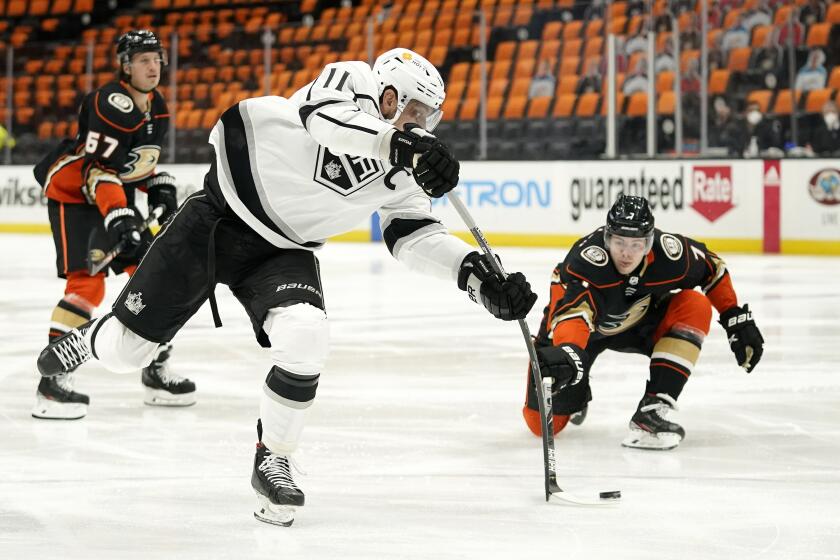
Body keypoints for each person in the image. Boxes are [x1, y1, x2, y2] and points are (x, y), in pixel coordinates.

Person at [35, 47, 538, 526]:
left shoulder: (404, 164)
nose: (423, 124)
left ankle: (273, 458)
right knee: (126, 353)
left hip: (281, 249)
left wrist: (475, 275)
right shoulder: (352, 78)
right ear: (388, 96)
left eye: (430, 116)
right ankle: (97, 335)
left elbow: (411, 234)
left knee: (306, 336)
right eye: (417, 110)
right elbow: (326, 121)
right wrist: (398, 144)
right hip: (217, 217)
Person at [30, 30, 194, 420]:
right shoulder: (109, 103)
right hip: (75, 195)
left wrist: (159, 186)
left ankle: (155, 370)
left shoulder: (158, 108)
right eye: (142, 60)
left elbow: (134, 166)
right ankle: (54, 384)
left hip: (110, 194)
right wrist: (120, 216)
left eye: (156, 58)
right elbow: (97, 171)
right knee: (87, 286)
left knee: (158, 278)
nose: (153, 66)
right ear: (125, 66)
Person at [521, 194, 764, 450]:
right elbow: (572, 315)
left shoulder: (669, 254)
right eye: (619, 242)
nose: (627, 253)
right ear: (607, 238)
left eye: (636, 244)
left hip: (639, 324)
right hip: (582, 334)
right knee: (541, 425)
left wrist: (734, 316)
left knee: (695, 305)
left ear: (649, 243)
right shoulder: (587, 261)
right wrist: (569, 354)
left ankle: (652, 410)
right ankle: (576, 393)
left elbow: (712, 267)